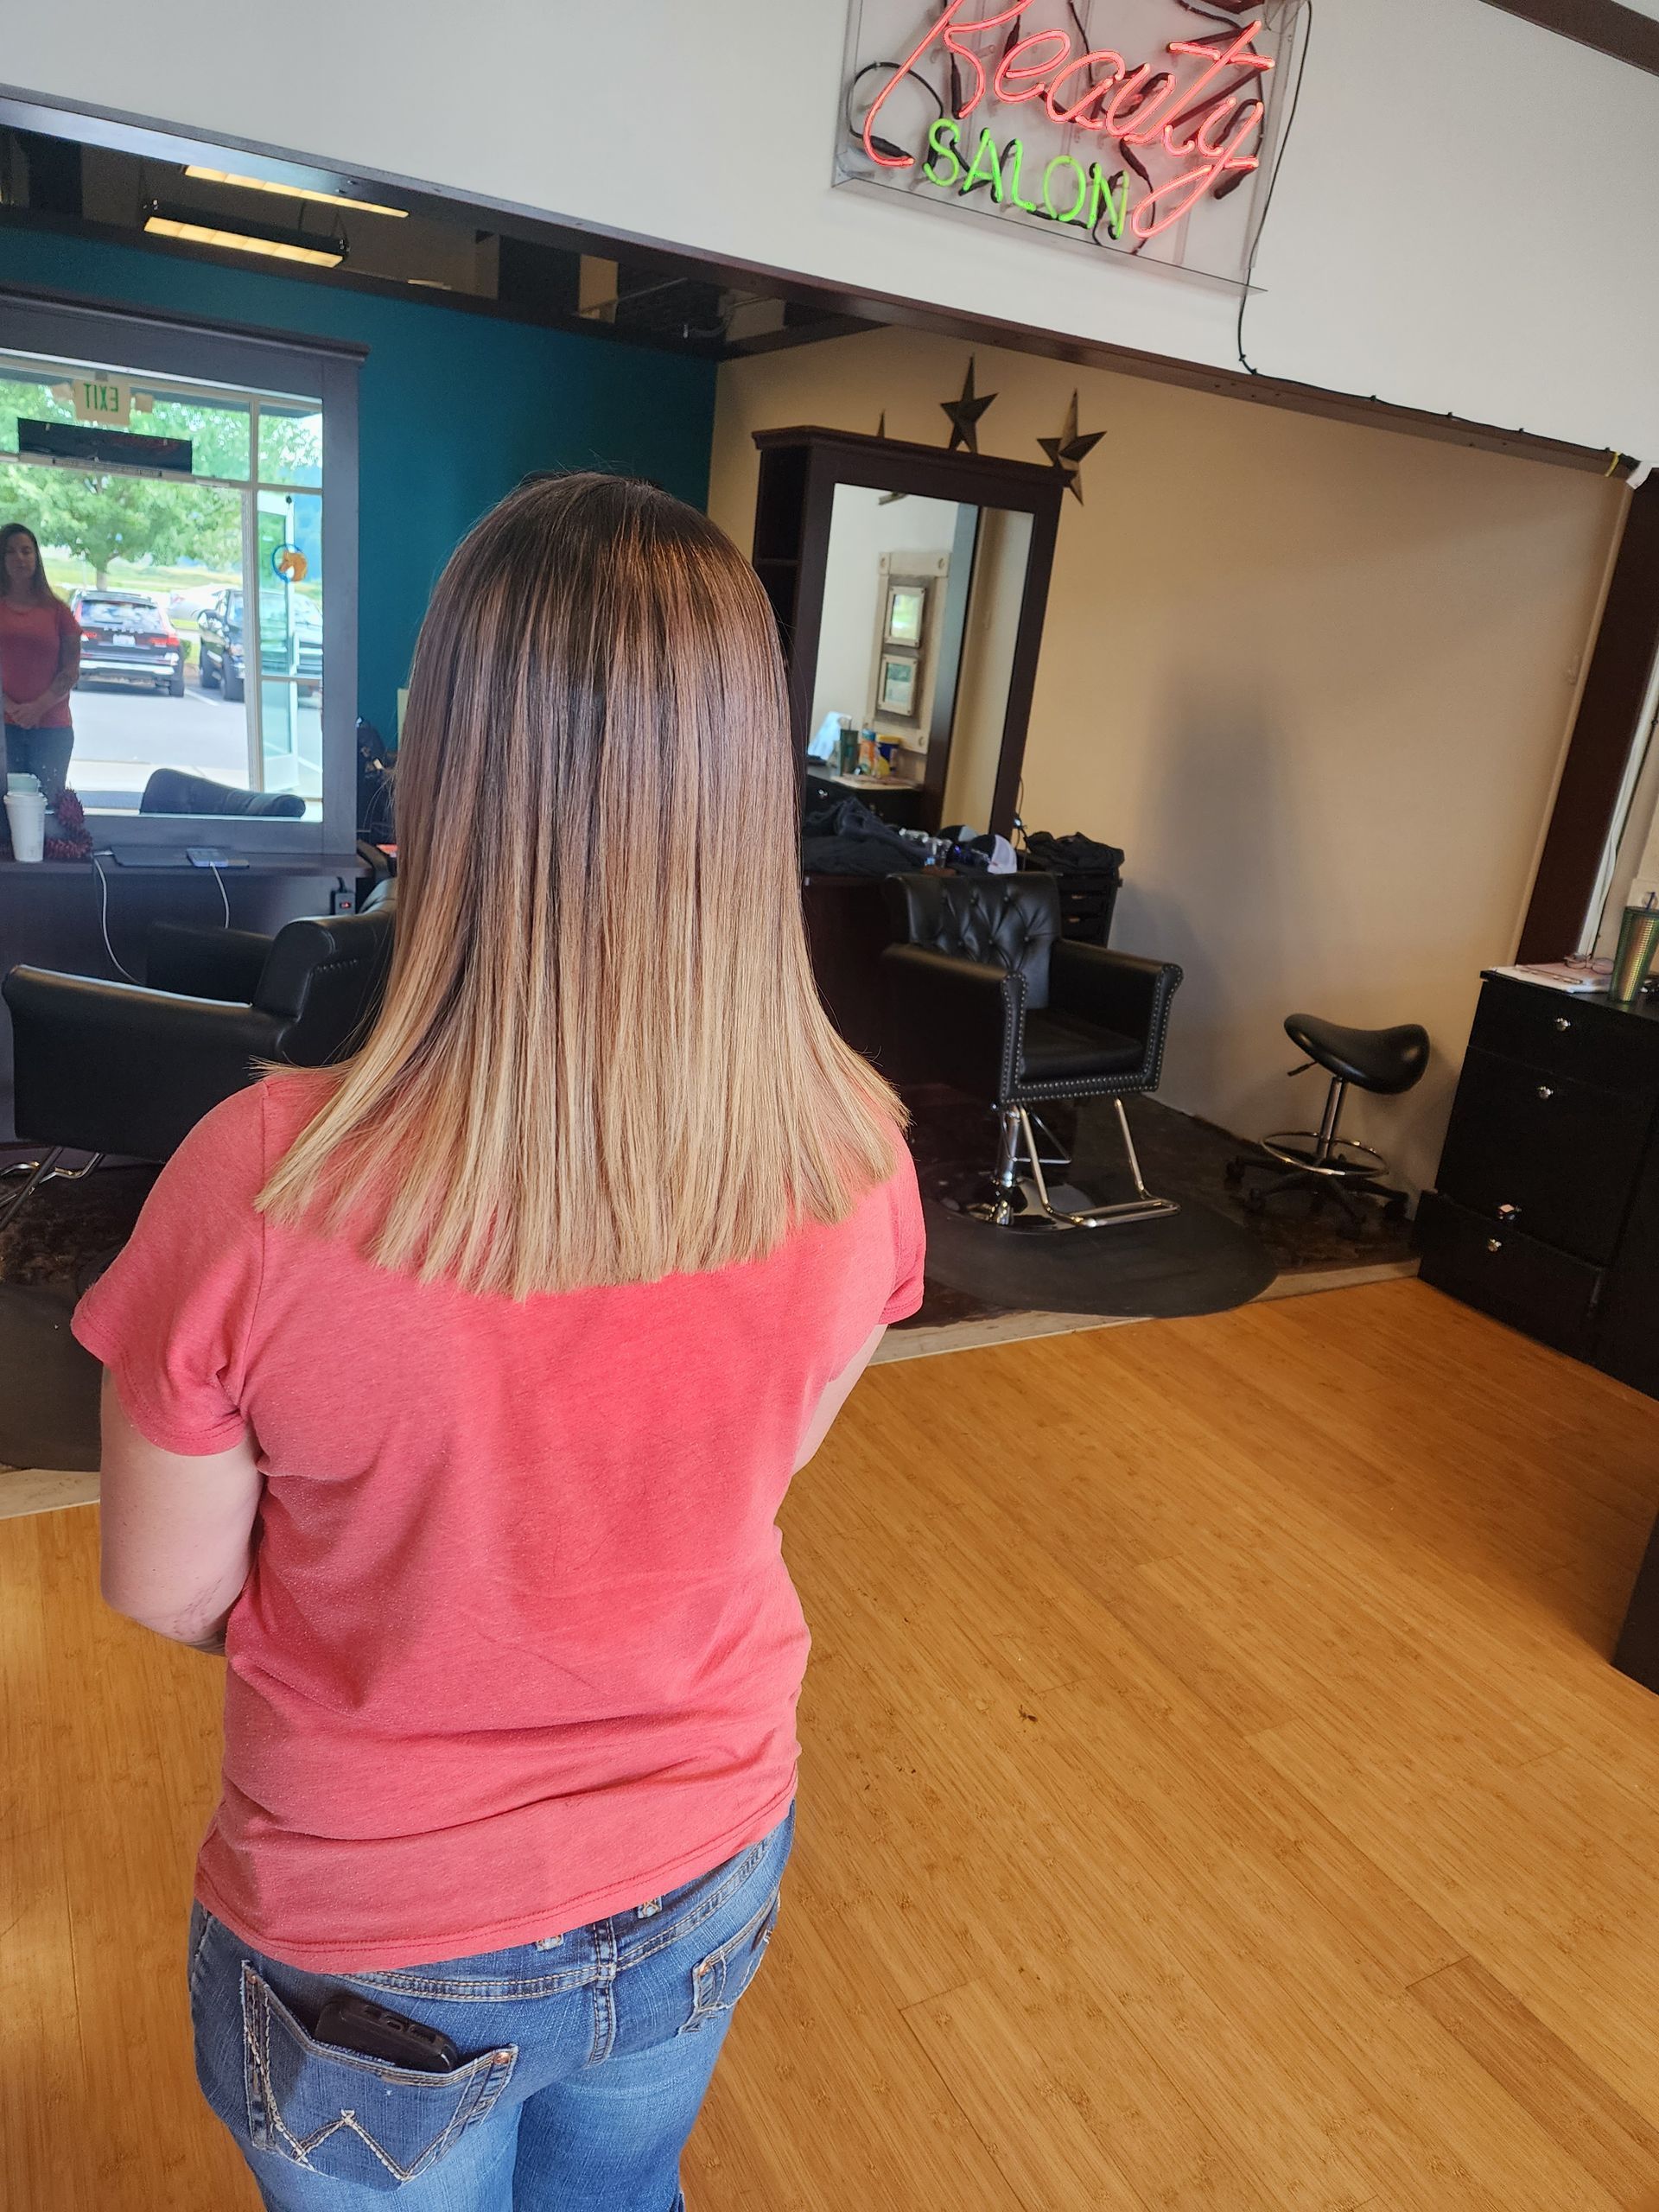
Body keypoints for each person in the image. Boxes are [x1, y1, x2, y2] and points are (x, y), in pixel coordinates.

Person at [73, 472, 925, 2211]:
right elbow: (747, 1476)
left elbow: (166, 1588)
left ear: (444, 762)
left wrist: (406, 1594)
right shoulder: (859, 1150)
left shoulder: (262, 1182)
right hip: (703, 1850)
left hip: (371, 1936)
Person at [0, 521, 80, 806]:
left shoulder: (58, 611)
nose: (19, 558)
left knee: (48, 812)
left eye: (26, 551)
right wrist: (11, 708)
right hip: (4, 729)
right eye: (10, 552)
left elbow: (71, 670)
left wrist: (37, 708)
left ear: (36, 557)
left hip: (52, 730)